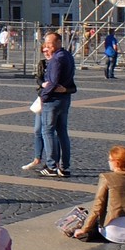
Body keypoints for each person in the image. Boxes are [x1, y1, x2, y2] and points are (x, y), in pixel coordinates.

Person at [36, 31, 76, 177]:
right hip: (65, 99)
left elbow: (52, 82)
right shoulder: (68, 56)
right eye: (46, 43)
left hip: (53, 100)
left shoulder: (56, 59)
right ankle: (64, 167)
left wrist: (44, 96)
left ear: (58, 43)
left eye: (50, 43)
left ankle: (52, 166)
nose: (48, 46)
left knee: (48, 132)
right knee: (62, 133)